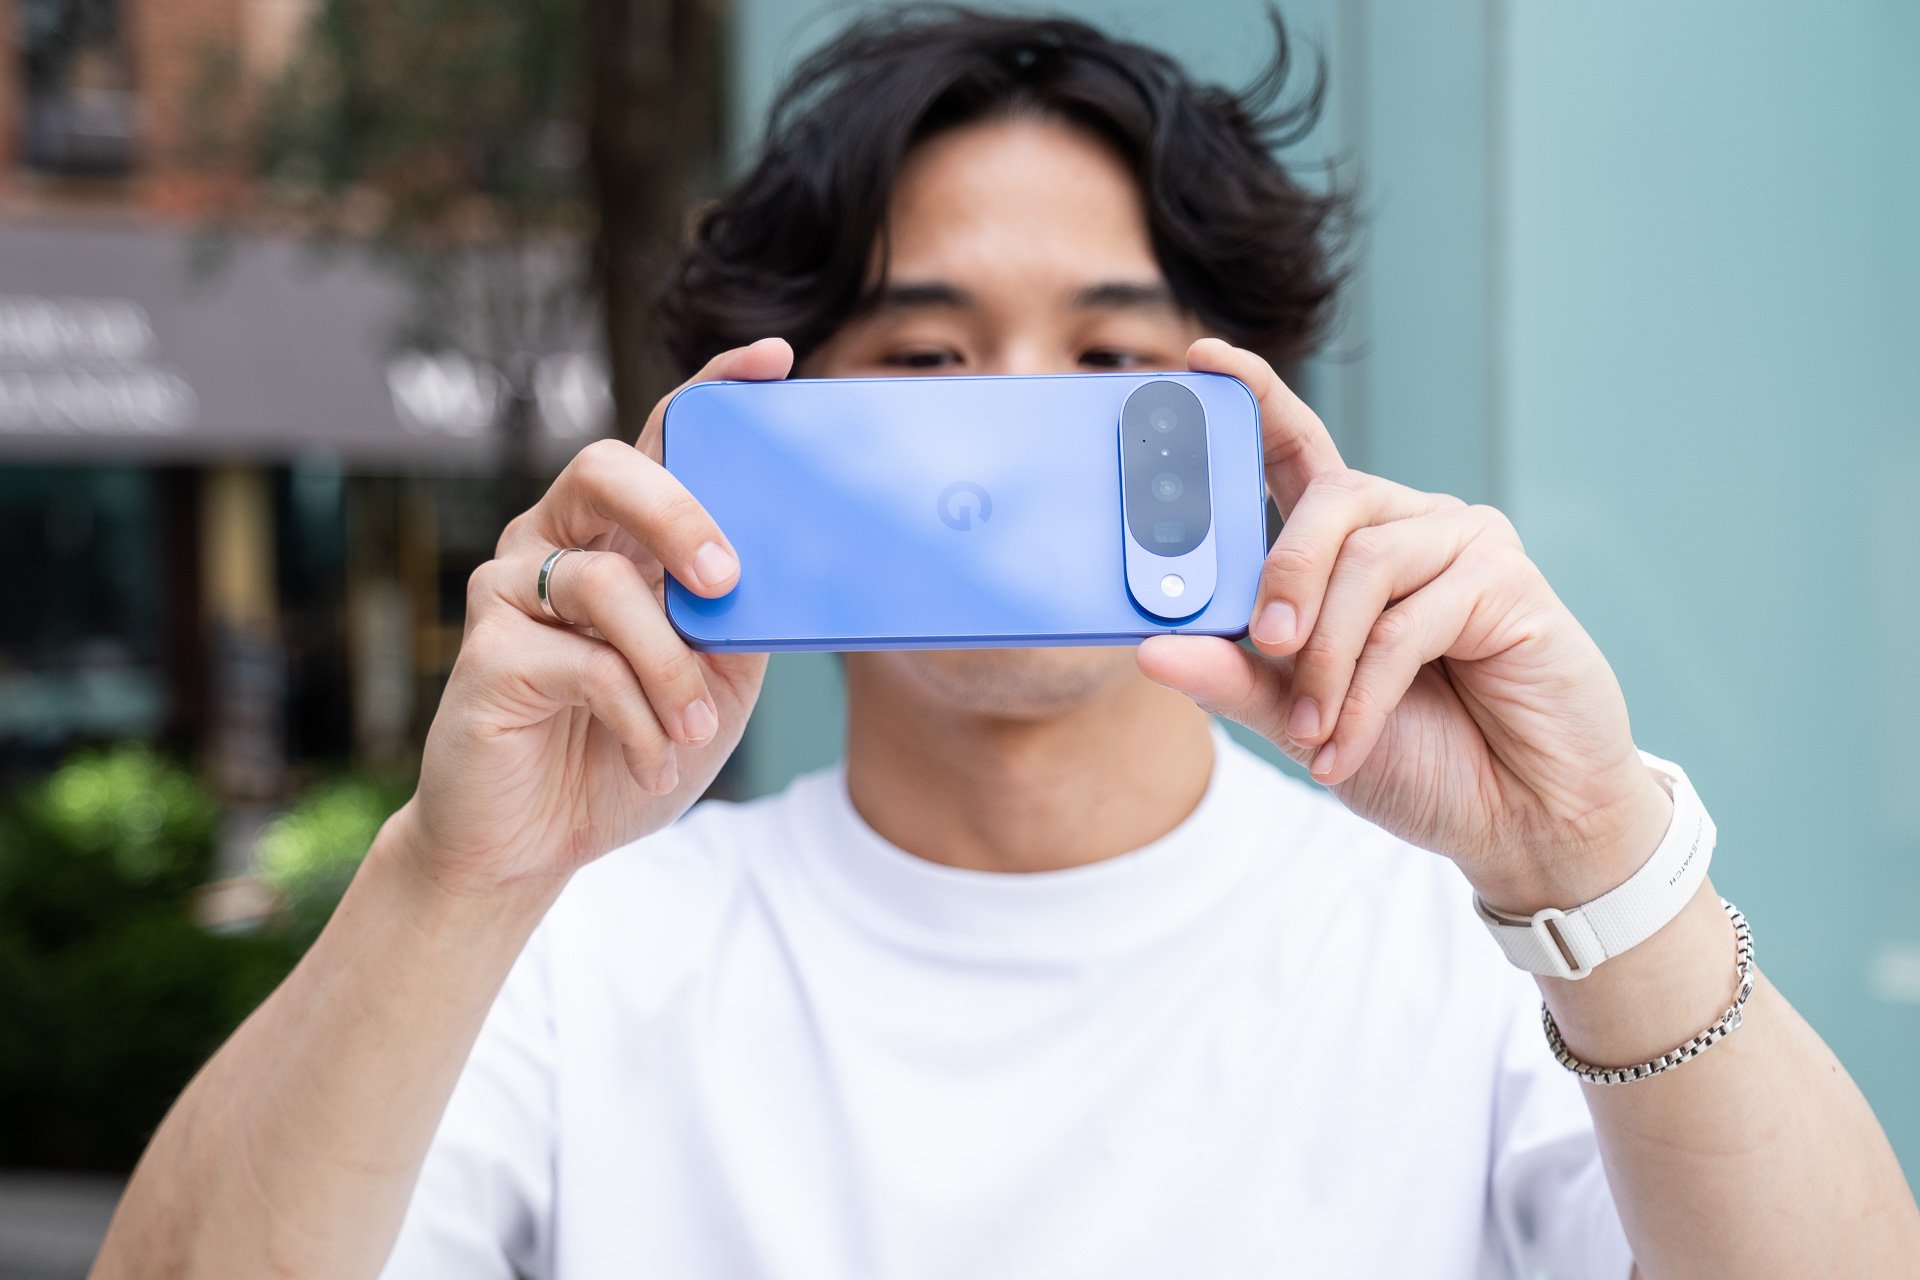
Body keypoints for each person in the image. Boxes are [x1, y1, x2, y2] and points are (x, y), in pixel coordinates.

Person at [95, 7, 1919, 1278]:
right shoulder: (573, 954)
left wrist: (1594, 856)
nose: (1022, 426)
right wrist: (453, 877)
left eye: (1113, 360)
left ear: (1241, 421)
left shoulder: (1483, 955)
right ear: (786, 424)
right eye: (929, 358)